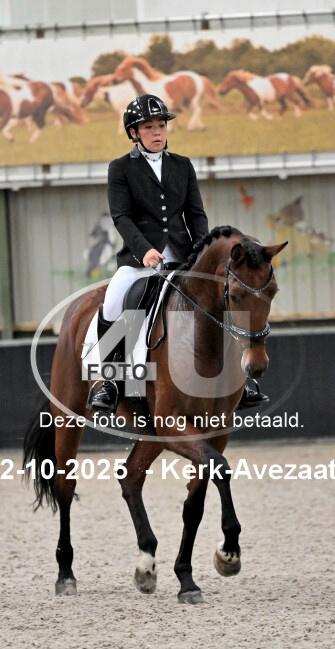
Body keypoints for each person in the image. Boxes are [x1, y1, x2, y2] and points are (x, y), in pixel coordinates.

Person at [88, 93, 267, 412]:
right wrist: (144, 251)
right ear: (134, 133)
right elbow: (122, 217)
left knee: (224, 297)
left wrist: (203, 252)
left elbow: (195, 214)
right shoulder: (121, 168)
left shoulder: (182, 165)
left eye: (161, 126)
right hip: (140, 260)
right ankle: (110, 381)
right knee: (114, 300)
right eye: (149, 127)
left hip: (185, 256)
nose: (157, 132)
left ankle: (241, 378)